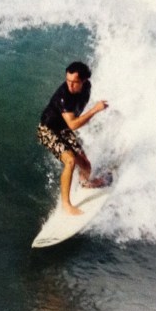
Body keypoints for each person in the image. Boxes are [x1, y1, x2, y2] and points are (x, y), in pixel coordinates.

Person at [37, 61, 109, 215]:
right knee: (70, 160)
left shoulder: (87, 87)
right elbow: (73, 124)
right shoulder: (64, 96)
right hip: (48, 130)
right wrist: (94, 110)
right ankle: (66, 205)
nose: (69, 85)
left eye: (74, 82)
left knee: (86, 166)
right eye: (67, 80)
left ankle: (85, 183)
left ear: (84, 80)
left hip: (63, 129)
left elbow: (73, 119)